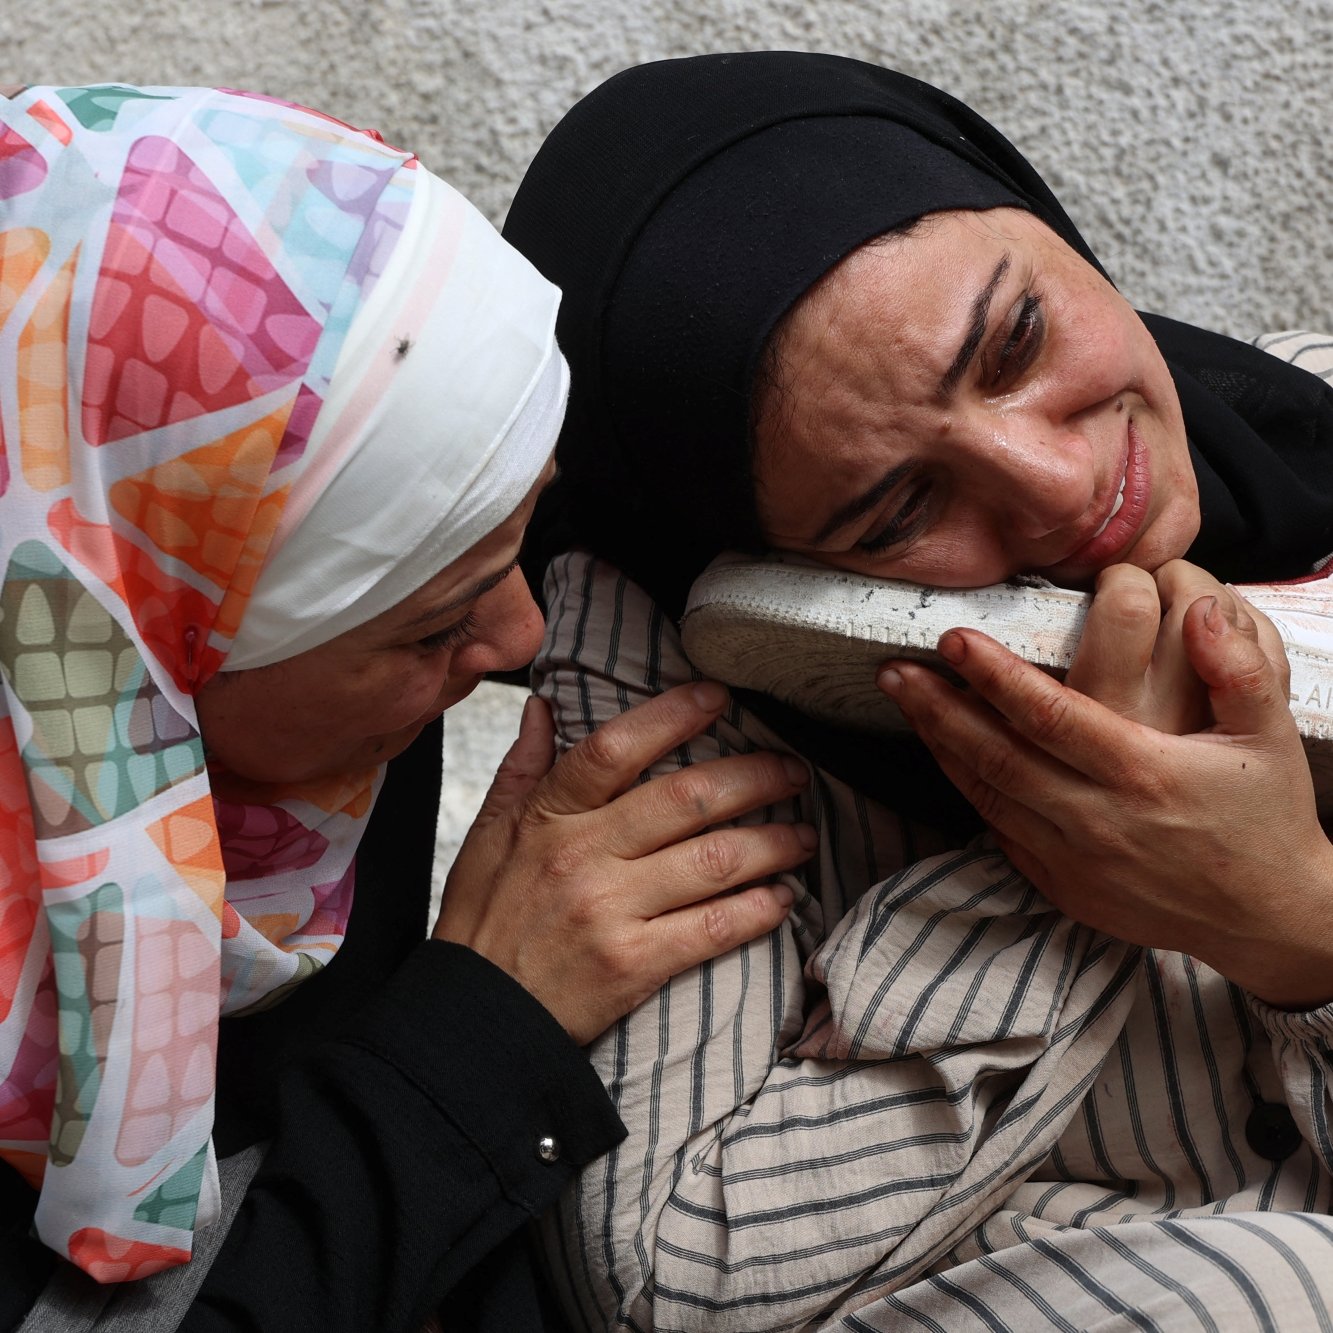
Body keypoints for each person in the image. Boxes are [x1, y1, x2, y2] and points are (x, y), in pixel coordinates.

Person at [500, 52, 1333, 1329]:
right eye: (897, 510)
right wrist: (1059, 851)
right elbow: (667, 1281)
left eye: (1017, 340)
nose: (1055, 487)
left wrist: (1294, 927)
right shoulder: (674, 664)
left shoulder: (1313, 419)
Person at [0, 83, 817, 1332]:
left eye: (521, 528)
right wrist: (482, 1032)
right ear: (139, 655)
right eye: (433, 624)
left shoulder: (300, 742)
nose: (519, 640)